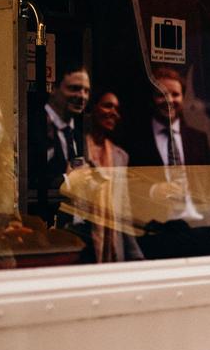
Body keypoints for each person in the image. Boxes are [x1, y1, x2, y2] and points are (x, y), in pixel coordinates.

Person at [122, 67, 210, 258]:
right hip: (154, 236)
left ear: (183, 98)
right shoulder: (133, 141)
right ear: (151, 98)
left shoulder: (199, 139)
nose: (169, 100)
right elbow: (124, 187)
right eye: (161, 95)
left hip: (198, 233)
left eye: (175, 94)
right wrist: (153, 191)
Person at [77, 90, 143, 263]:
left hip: (113, 249)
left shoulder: (120, 156)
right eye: (108, 106)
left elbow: (123, 210)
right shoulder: (77, 148)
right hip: (81, 246)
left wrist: (135, 254)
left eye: (117, 109)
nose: (114, 113)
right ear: (92, 108)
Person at [28, 65, 90, 226]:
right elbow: (27, 178)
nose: (82, 96)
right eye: (74, 89)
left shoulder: (77, 133)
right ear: (54, 89)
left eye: (86, 91)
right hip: (40, 224)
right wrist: (68, 180)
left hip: (72, 224)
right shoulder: (32, 126)